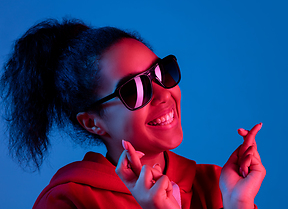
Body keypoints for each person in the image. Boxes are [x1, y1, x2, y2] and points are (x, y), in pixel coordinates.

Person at [0, 18, 266, 209]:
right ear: (93, 122)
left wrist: (240, 203)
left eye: (162, 72)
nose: (164, 95)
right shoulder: (69, 200)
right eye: (134, 90)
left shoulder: (216, 186)